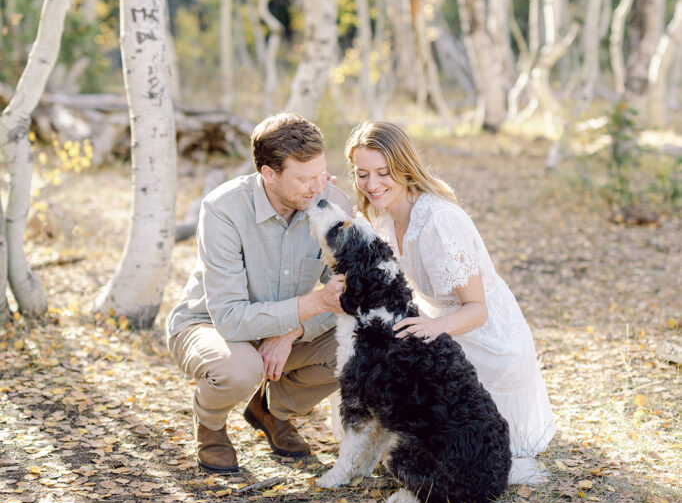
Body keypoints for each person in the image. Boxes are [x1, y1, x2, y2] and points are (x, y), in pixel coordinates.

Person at [344, 121, 555, 478]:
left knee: (458, 444)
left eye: (384, 172)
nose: (373, 184)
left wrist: (435, 326)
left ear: (405, 168)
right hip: (440, 328)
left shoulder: (439, 220)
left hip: (487, 337)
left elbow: (477, 308)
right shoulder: (378, 215)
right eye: (362, 174)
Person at [166, 112, 351, 474]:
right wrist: (310, 304)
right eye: (304, 179)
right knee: (239, 368)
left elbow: (350, 291)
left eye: (321, 174)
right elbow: (231, 320)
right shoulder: (223, 210)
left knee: (359, 344)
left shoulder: (332, 201)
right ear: (269, 174)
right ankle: (211, 423)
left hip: (286, 326)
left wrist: (294, 329)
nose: (318, 187)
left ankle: (271, 410)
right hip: (210, 325)